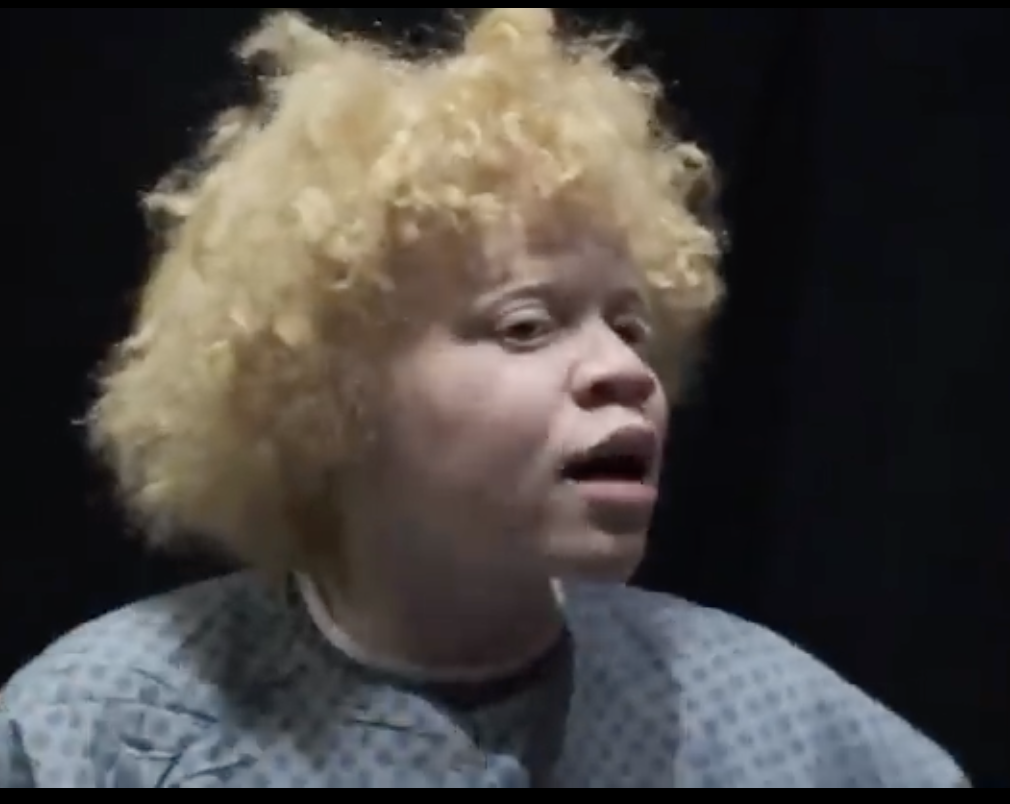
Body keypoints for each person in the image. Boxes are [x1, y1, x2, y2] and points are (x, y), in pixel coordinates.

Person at [0, 7, 967, 787]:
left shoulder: (767, 720)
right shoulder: (102, 729)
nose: (622, 371)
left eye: (629, 325)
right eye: (526, 326)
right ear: (330, 389)